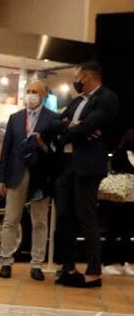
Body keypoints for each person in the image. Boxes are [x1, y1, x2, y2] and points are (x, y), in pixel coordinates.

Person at [52, 62, 119, 288]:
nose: (76, 81)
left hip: (88, 167)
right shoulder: (77, 101)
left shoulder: (107, 98)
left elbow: (90, 125)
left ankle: (93, 273)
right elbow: (57, 123)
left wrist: (74, 129)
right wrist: (72, 128)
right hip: (67, 166)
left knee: (86, 217)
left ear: (88, 78)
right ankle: (68, 267)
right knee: (65, 218)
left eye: (77, 77)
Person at [0, 80, 59, 281]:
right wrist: (1, 179)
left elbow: (56, 152)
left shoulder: (52, 119)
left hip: (41, 177)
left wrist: (43, 145)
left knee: (39, 221)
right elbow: (6, 151)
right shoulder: (15, 118)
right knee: (10, 220)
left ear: (43, 95)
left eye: (35, 92)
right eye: (28, 91)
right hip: (16, 175)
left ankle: (37, 264)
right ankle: (6, 262)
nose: (31, 95)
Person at [101, 129, 134, 276]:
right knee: (112, 231)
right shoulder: (120, 153)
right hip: (118, 198)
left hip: (132, 199)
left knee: (127, 232)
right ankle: (106, 263)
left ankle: (125, 262)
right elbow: (114, 169)